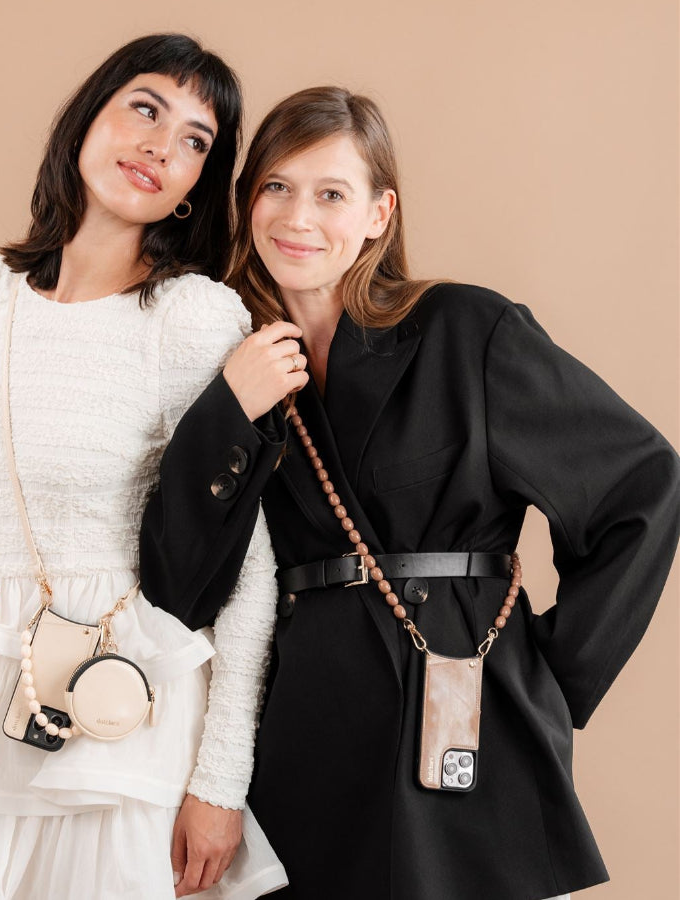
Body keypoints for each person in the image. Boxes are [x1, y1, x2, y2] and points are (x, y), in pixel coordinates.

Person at [139, 86, 680, 900]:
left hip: (464, 708)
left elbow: (642, 484)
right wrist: (229, 411)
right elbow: (176, 588)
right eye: (275, 188)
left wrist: (553, 678)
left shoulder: (466, 330)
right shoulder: (226, 360)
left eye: (331, 194)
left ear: (377, 215)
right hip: (307, 727)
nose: (298, 218)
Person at [0, 34, 287, 900]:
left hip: (135, 701)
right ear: (88, 118)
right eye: (147, 108)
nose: (162, 146)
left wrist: (219, 783)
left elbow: (250, 566)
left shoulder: (193, 316)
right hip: (6, 689)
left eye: (196, 140)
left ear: (199, 187)